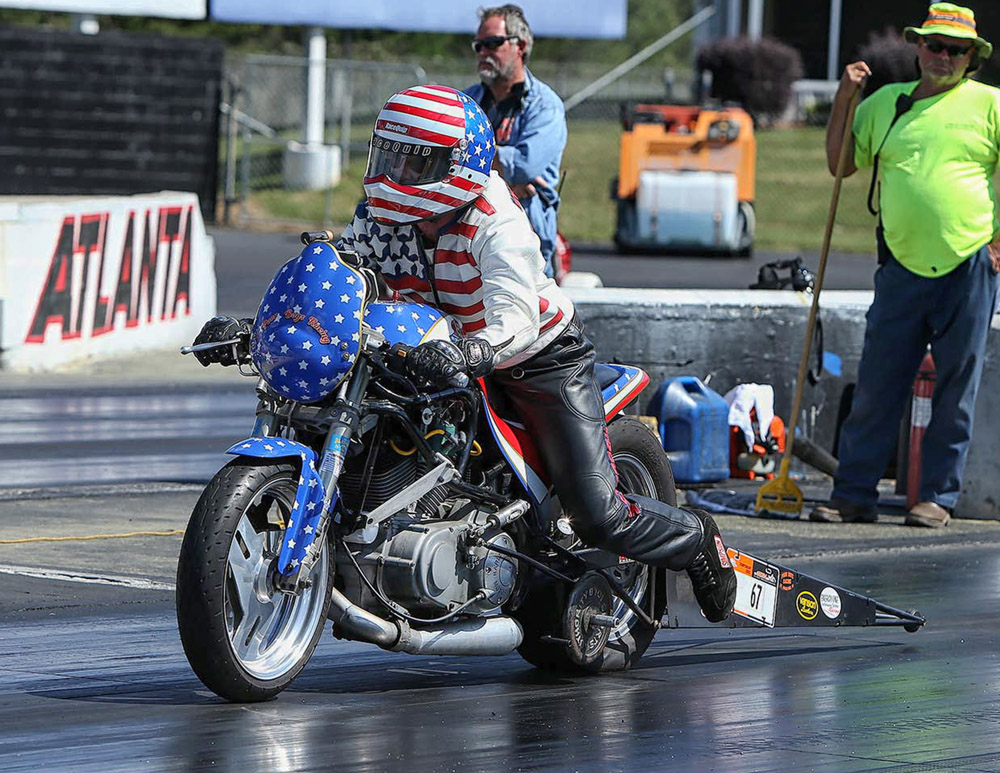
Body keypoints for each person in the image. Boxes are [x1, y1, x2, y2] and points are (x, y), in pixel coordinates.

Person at [193, 84, 737, 622]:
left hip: (535, 360)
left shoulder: (496, 222)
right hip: (430, 350)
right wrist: (264, 325)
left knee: (596, 513)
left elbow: (516, 318)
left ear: (456, 165)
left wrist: (474, 351)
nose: (395, 176)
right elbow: (342, 276)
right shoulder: (380, 216)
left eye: (414, 164)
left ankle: (696, 540)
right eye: (390, 158)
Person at [812, 3, 1000, 529]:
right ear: (918, 46)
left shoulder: (991, 104)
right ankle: (854, 493)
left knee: (956, 388)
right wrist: (845, 98)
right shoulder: (885, 103)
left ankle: (937, 496)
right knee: (878, 382)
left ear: (971, 57)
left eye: (956, 50)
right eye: (935, 45)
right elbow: (840, 164)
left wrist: (998, 245)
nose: (944, 56)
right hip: (900, 264)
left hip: (969, 263)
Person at [464, 4, 566, 279]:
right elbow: (442, 153)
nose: (483, 52)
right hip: (467, 243)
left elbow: (523, 165)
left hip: (525, 244)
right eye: (478, 46)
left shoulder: (546, 105)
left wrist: (469, 160)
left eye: (492, 43)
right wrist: (506, 181)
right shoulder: (466, 101)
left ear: (520, 46)